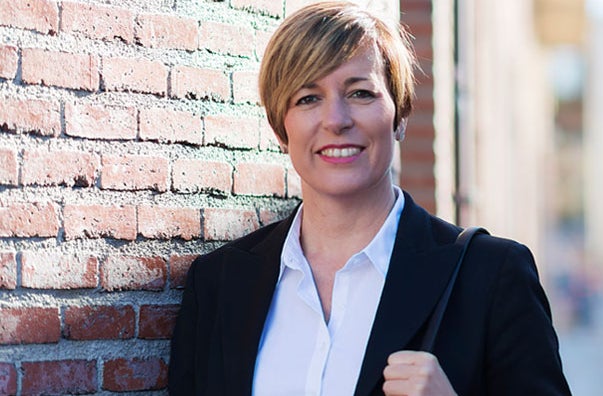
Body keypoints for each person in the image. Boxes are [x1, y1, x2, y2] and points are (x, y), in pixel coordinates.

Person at [167, 2, 571, 395]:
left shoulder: (491, 276)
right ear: (280, 128)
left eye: (360, 93)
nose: (337, 120)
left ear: (400, 115)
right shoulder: (219, 284)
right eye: (308, 98)